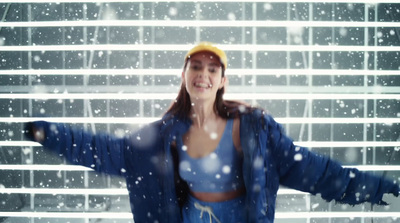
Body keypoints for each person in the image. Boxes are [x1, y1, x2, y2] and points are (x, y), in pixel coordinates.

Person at [25, 42, 399, 223]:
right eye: (196, 66)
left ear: (223, 80)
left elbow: (319, 173)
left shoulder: (256, 131)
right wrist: (51, 134)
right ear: (185, 76)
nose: (203, 74)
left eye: (212, 69)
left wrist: (383, 189)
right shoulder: (162, 137)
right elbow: (107, 151)